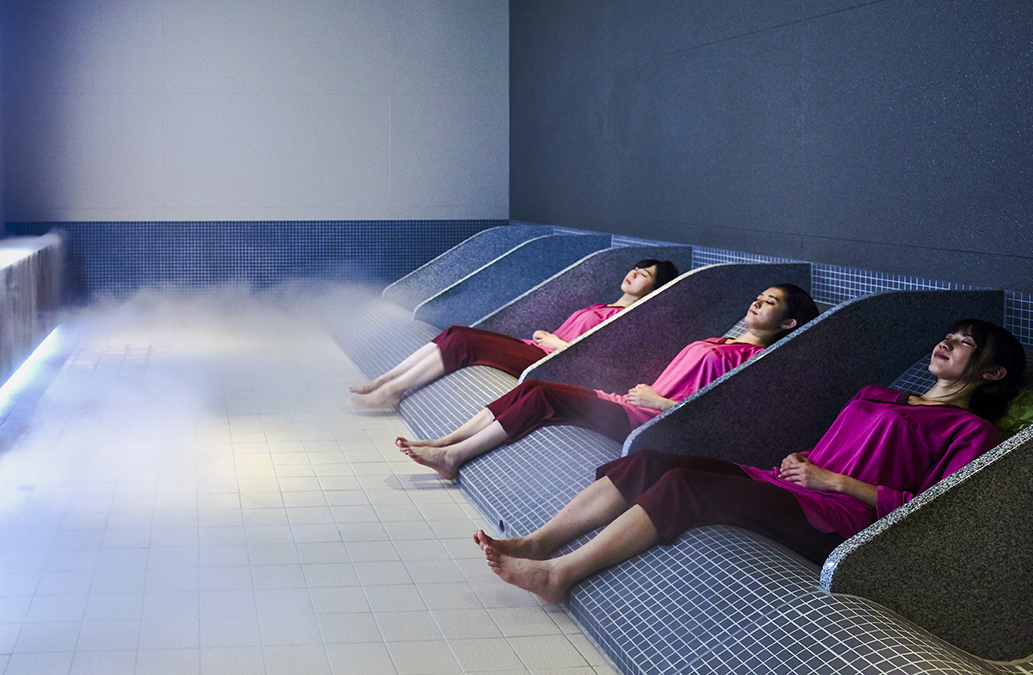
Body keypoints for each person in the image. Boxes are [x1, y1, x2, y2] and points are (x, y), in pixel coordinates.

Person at [473, 319, 1025, 604]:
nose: (947, 344)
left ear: (993, 374)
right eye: (948, 336)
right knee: (648, 462)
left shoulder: (971, 430)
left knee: (687, 485)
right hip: (795, 482)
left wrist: (833, 479)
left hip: (837, 520)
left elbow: (933, 512)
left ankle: (559, 574)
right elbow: (843, 443)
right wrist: (806, 457)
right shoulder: (884, 393)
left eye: (965, 344)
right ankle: (540, 542)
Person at [399, 284, 818, 479]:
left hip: (650, 421)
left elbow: (720, 419)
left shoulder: (756, 361)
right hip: (630, 402)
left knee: (543, 395)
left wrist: (659, 403)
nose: (759, 300)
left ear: (789, 322)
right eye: (760, 294)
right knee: (529, 386)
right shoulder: (719, 340)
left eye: (772, 302)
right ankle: (445, 443)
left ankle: (454, 457)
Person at [351, 259, 681, 409]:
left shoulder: (627, 320)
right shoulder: (603, 305)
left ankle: (393, 389)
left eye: (644, 276)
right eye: (635, 269)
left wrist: (557, 343)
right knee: (455, 332)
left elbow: (595, 358)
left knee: (464, 341)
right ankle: (386, 381)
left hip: (548, 361)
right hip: (535, 348)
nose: (634, 275)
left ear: (654, 288)